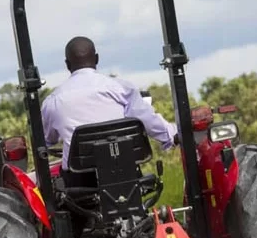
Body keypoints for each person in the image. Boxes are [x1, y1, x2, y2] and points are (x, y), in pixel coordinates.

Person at [41, 36, 178, 172]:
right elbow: (147, 120)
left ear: (67, 64)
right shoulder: (121, 88)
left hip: (79, 179)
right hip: (125, 169)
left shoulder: (53, 101)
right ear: (97, 58)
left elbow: (48, 139)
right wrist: (171, 135)